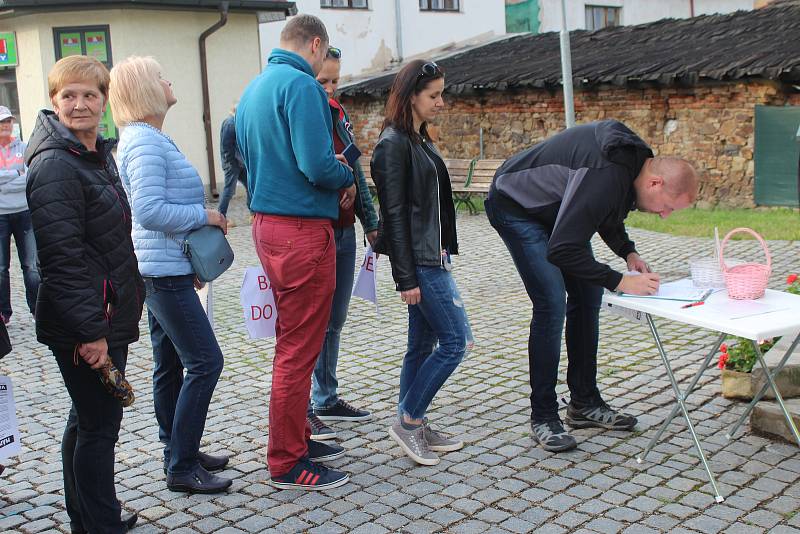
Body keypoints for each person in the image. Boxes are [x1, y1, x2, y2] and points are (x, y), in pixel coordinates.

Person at [484, 119, 699, 452]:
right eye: (669, 207)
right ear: (655, 182)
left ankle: (583, 403)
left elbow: (604, 211)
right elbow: (562, 249)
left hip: (556, 211)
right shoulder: (608, 172)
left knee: (588, 294)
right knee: (552, 302)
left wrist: (628, 252)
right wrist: (620, 281)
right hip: (515, 205)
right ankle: (543, 415)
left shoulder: (631, 164)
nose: (666, 216)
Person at [25, 55, 142, 534]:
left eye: (89, 95)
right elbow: (61, 259)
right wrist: (91, 332)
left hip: (102, 312)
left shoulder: (93, 153)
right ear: (54, 101)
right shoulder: (56, 164)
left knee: (85, 420)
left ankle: (90, 519)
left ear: (104, 101)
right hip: (85, 322)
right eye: (68, 95)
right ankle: (101, 524)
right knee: (99, 428)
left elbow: (106, 241)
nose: (79, 104)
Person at [236, 14, 354, 490]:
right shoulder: (303, 87)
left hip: (269, 225)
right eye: (325, 55)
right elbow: (315, 164)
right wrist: (344, 171)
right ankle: (286, 460)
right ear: (316, 44)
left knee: (294, 340)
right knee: (298, 347)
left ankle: (299, 438)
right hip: (302, 228)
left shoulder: (254, 88)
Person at [109, 56, 232, 494]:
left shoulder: (146, 137)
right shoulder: (144, 142)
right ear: (145, 89)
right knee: (205, 362)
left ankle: (178, 449)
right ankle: (181, 465)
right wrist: (207, 216)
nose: (168, 80)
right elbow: (147, 210)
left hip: (163, 268)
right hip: (162, 275)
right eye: (161, 76)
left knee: (169, 365)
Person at [371, 59, 470, 466]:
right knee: (456, 341)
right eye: (434, 95)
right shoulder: (393, 144)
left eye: (442, 94)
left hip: (435, 255)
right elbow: (393, 216)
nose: (441, 102)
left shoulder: (419, 139)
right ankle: (408, 421)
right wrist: (405, 278)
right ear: (411, 95)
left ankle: (414, 420)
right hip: (422, 263)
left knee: (422, 343)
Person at [305, 45, 379, 442]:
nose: (330, 88)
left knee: (335, 319)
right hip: (315, 229)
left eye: (336, 80)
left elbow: (358, 173)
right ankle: (308, 405)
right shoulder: (303, 115)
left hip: (345, 230)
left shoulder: (339, 115)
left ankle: (327, 396)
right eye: (324, 81)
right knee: (312, 322)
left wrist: (372, 223)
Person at [0, 105, 40, 325]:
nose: (6, 126)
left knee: (31, 265)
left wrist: (7, 180)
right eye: (2, 122)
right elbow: (20, 176)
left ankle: (36, 309)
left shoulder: (23, 148)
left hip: (24, 211)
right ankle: (4, 313)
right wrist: (15, 173)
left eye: (8, 121)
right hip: (1, 214)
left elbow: (29, 177)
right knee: (1, 268)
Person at [217, 108, 249, 217]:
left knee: (250, 185)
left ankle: (253, 213)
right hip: (232, 163)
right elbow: (226, 147)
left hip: (239, 162)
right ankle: (221, 215)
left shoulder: (235, 123)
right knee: (229, 189)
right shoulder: (230, 124)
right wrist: (230, 163)